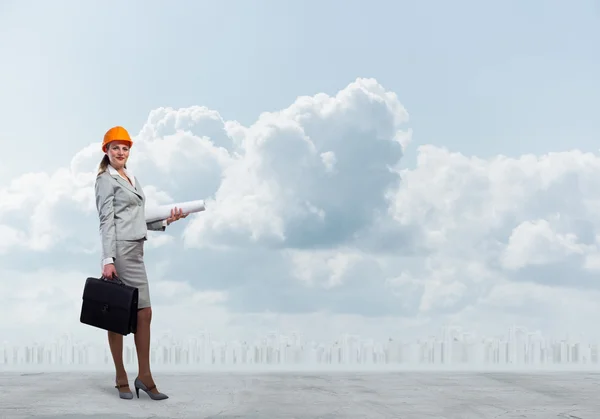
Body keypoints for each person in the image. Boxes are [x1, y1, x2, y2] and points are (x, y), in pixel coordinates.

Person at [94, 126, 188, 401]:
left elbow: (137, 216)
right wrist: (108, 259)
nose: (121, 152)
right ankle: (121, 375)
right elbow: (106, 221)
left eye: (125, 148)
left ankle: (144, 376)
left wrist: (165, 221)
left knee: (144, 313)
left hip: (136, 250)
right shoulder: (105, 180)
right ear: (106, 151)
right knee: (118, 312)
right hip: (120, 252)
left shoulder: (131, 177)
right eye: (115, 148)